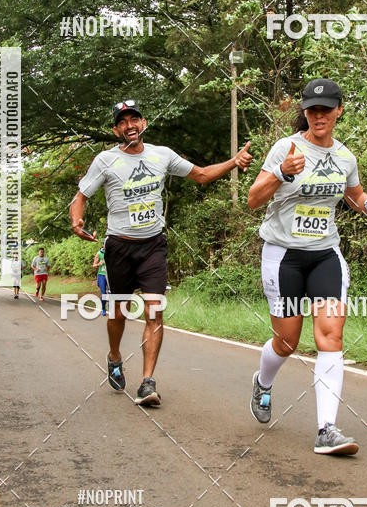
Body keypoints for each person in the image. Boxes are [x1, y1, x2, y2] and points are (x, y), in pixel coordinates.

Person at [247, 79, 367, 455]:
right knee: (287, 342)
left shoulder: (345, 157)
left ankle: (326, 429)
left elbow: (355, 197)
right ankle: (263, 382)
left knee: (331, 334)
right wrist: (281, 172)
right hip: (283, 255)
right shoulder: (286, 148)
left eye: (326, 109)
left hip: (325, 254)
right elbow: (253, 199)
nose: (319, 116)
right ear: (305, 112)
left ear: (338, 111)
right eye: (312, 110)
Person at [70, 98, 252, 407]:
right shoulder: (105, 160)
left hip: (153, 245)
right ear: (116, 131)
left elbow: (202, 174)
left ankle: (147, 382)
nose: (130, 125)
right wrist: (76, 220)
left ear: (143, 123)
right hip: (119, 246)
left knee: (154, 310)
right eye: (122, 122)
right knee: (118, 312)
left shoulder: (162, 155)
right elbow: (80, 196)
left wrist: (234, 162)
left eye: (134, 119)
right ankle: (114, 356)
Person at [93, 246, 109, 316]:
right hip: (101, 276)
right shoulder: (99, 253)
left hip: (109, 276)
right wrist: (99, 264)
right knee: (103, 293)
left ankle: (110, 305)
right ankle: (104, 309)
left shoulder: (111, 252)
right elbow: (94, 265)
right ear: (103, 245)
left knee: (111, 292)